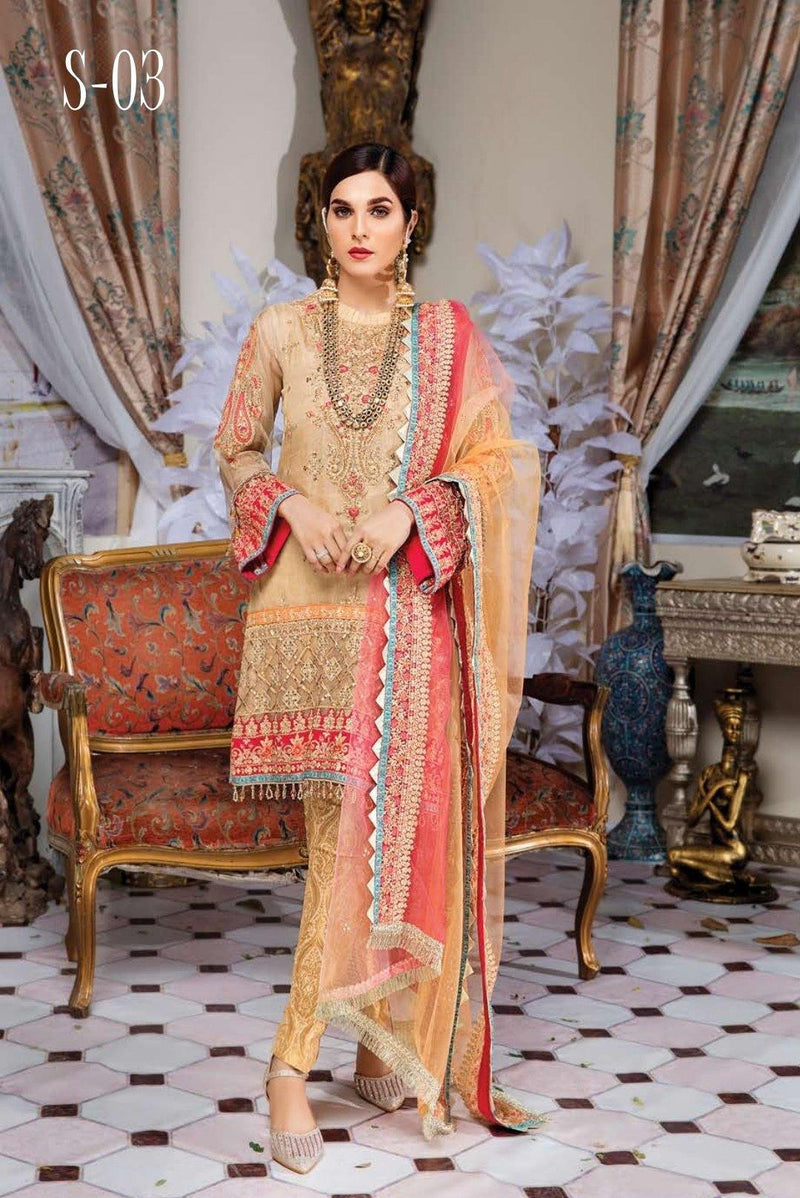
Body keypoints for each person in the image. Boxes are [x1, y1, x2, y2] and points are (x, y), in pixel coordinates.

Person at [213, 141, 542, 1174]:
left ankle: (354, 1044)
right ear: (321, 224)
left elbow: (500, 461)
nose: (359, 227)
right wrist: (293, 506)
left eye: (380, 209)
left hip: (406, 618)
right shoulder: (279, 331)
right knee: (335, 844)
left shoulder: (447, 336)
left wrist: (414, 510)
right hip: (307, 617)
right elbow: (235, 449)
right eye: (342, 209)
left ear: (410, 225)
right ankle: (290, 1065)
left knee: (385, 839)